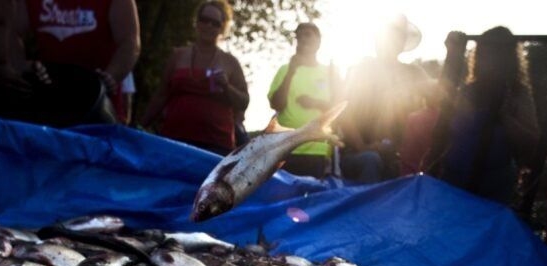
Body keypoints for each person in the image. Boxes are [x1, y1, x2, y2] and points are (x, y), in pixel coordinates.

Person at [402, 27, 539, 204]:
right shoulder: (468, 91)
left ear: (507, 58)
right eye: (484, 52)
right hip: (454, 178)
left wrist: (504, 116)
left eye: (496, 53)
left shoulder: (517, 94)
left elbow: (531, 141)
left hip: (492, 185)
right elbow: (445, 122)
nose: (489, 59)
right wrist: (452, 54)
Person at [139, 0, 250, 155]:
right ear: (197, 22)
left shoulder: (230, 62)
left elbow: (244, 101)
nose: (209, 26)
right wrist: (140, 127)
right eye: (205, 20)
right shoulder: (177, 56)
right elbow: (161, 96)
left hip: (216, 146)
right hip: (174, 139)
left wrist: (226, 87)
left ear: (222, 28)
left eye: (215, 23)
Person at [340, 15, 431, 182]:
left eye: (399, 36)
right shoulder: (361, 69)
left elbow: (437, 100)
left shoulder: (414, 73)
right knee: (371, 160)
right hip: (358, 155)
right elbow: (344, 113)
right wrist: (362, 147)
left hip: (401, 157)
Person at [25, 0, 140, 123]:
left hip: (98, 105)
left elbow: (130, 42)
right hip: (47, 100)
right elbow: (12, 33)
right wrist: (22, 66)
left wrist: (110, 76)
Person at [267, 22, 339, 178]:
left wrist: (316, 103)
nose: (303, 39)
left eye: (308, 34)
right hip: (286, 147)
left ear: (318, 41)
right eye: (299, 36)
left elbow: (339, 108)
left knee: (312, 199)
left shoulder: (329, 72)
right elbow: (276, 104)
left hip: (317, 149)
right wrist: (291, 72)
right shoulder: (285, 69)